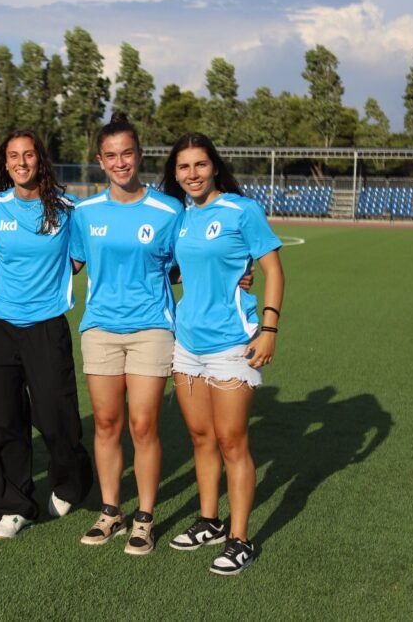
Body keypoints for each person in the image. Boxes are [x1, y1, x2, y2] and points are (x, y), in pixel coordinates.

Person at [159, 131, 285, 575]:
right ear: (175, 173)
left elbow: (272, 268)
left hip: (233, 344)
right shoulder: (180, 217)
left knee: (233, 442)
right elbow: (178, 269)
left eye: (199, 165)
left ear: (214, 166)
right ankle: (209, 520)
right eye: (183, 167)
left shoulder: (241, 209)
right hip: (187, 345)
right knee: (201, 438)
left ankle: (240, 538)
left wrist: (268, 328)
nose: (192, 174)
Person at [68, 112, 183, 555]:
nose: (121, 163)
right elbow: (72, 262)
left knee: (143, 424)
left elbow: (186, 263)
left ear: (140, 154)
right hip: (99, 329)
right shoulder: (85, 212)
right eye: (112, 155)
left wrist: (239, 274)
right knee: (106, 422)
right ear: (100, 160)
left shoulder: (168, 211)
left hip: (152, 329)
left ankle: (145, 517)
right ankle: (111, 510)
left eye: (128, 153)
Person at [0, 130, 93, 539]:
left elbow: (81, 258)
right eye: (13, 156)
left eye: (28, 155)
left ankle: (71, 482)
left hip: (46, 325)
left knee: (55, 417)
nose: (21, 162)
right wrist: (12, 274)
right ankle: (14, 504)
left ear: (40, 159)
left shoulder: (68, 208)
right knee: (5, 419)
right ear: (5, 163)